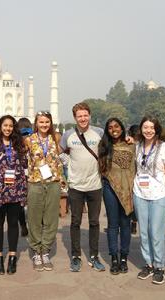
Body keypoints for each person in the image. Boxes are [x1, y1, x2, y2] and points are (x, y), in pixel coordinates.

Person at [60, 102, 105, 272]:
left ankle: (94, 256)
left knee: (94, 222)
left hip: (94, 184)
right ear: (75, 118)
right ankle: (76, 256)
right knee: (75, 221)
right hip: (76, 185)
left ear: (90, 115)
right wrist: (68, 165)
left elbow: (108, 149)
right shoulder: (68, 135)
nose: (83, 118)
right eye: (79, 116)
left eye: (85, 115)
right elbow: (59, 152)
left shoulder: (99, 132)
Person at [133, 115, 165, 285]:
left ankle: (159, 267)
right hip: (140, 193)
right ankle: (148, 264)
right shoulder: (137, 146)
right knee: (143, 233)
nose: (148, 130)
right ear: (141, 129)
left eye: (151, 127)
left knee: (156, 233)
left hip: (159, 195)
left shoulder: (164, 147)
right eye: (145, 127)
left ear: (156, 129)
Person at [25, 111, 63, 271]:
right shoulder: (29, 140)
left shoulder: (56, 137)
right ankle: (36, 250)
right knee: (34, 218)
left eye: (47, 122)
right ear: (36, 123)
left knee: (51, 218)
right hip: (35, 182)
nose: (44, 125)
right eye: (41, 122)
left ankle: (45, 250)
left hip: (53, 182)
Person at [98, 118, 136, 275]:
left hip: (128, 189)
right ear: (107, 130)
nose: (114, 129)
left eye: (117, 126)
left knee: (125, 224)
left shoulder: (132, 145)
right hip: (110, 188)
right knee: (113, 225)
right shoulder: (105, 146)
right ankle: (114, 257)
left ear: (122, 128)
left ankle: (123, 258)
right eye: (110, 127)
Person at [0, 115, 27, 275]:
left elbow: (25, 165)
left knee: (13, 223)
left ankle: (12, 256)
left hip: (15, 189)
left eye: (11, 126)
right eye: (5, 125)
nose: (8, 128)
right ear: (0, 126)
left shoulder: (19, 145)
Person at [17, 117, 33, 237]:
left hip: (19, 175)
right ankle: (34, 225)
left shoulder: (16, 141)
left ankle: (23, 225)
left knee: (20, 204)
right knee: (33, 202)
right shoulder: (33, 138)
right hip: (32, 174)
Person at [127, 124, 140, 235]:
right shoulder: (140, 145)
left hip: (133, 177)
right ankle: (133, 222)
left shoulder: (136, 145)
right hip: (134, 177)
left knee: (131, 202)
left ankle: (133, 222)